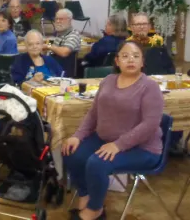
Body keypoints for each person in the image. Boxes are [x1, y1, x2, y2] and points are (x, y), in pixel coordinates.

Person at [62, 41, 163, 220]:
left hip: (142, 148)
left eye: (135, 56)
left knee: (97, 163)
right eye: (125, 56)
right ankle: (86, 193)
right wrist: (78, 136)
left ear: (142, 62)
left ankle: (95, 209)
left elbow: (150, 125)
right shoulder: (108, 80)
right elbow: (94, 113)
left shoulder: (150, 87)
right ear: (117, 61)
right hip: (105, 139)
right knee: (71, 151)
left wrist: (118, 145)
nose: (130, 59)